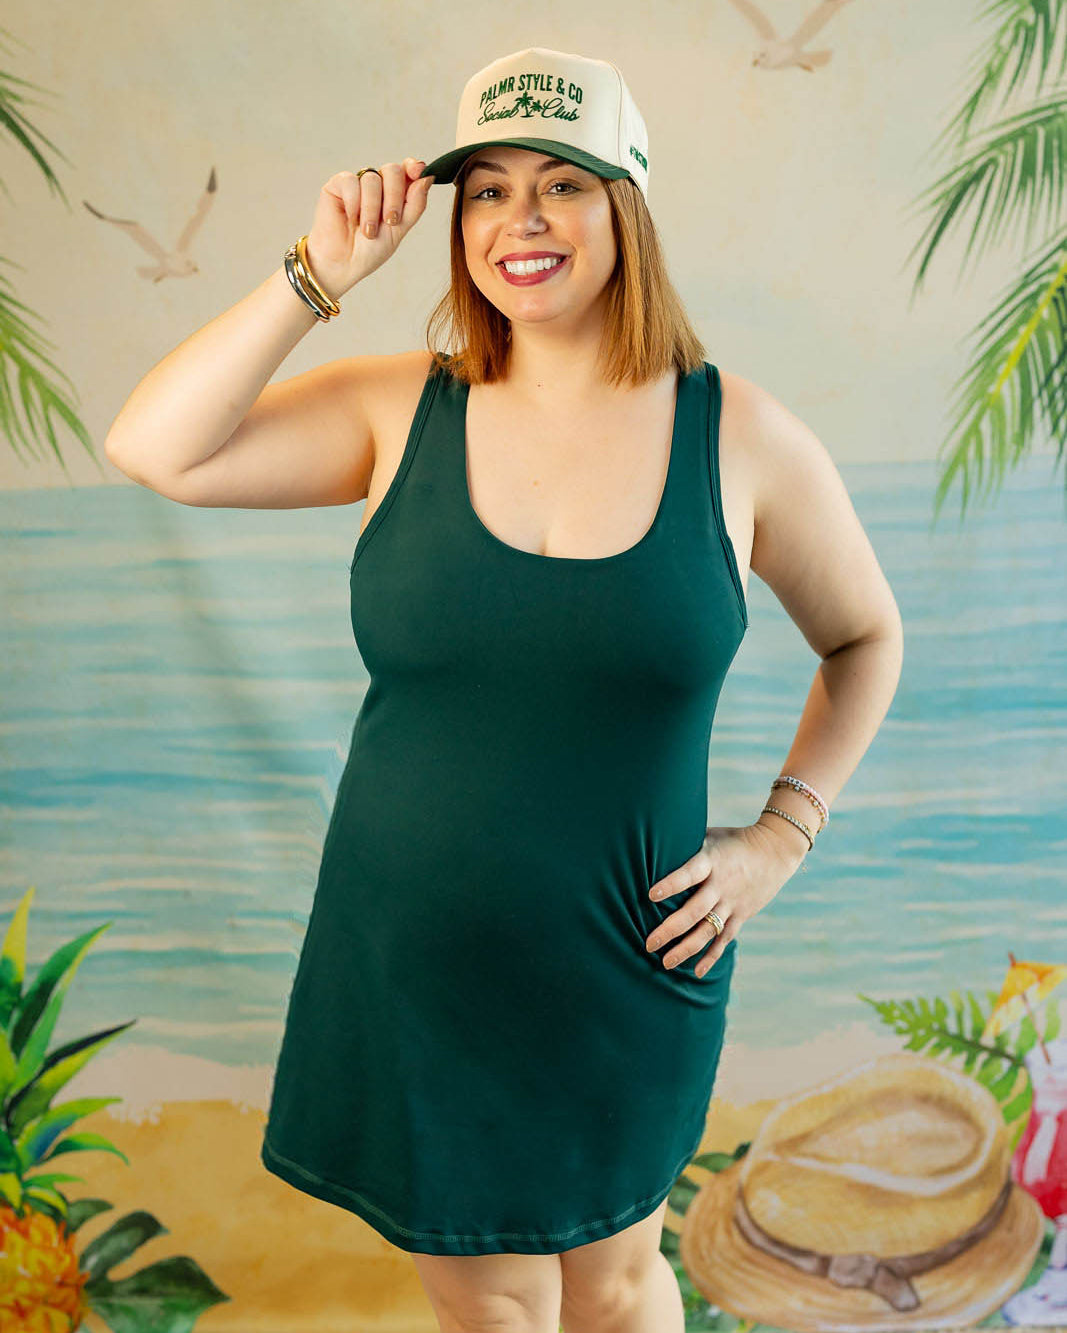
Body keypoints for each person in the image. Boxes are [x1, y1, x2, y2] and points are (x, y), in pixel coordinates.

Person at [104, 43, 903, 1333]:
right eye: (487, 190)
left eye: (563, 185)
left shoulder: (740, 436)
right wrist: (319, 277)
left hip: (631, 963)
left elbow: (867, 638)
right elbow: (155, 446)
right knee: (495, 1310)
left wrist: (781, 838)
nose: (520, 222)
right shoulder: (393, 407)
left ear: (626, 208)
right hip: (416, 966)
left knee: (624, 1284)